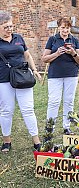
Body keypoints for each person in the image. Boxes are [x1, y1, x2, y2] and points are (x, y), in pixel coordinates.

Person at [0, 10, 41, 152]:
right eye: (6, 27)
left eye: (11, 26)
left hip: (23, 78)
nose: (10, 30)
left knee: (28, 109)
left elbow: (27, 55)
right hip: (4, 80)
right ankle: (7, 142)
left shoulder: (18, 38)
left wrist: (34, 70)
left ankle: (36, 141)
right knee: (6, 111)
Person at [42, 17, 79, 135]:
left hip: (71, 75)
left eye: (68, 28)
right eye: (63, 27)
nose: (65, 30)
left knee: (69, 101)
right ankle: (50, 127)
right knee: (54, 101)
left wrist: (73, 53)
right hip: (55, 75)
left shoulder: (74, 40)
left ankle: (67, 127)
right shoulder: (52, 39)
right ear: (58, 27)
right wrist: (57, 53)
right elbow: (44, 58)